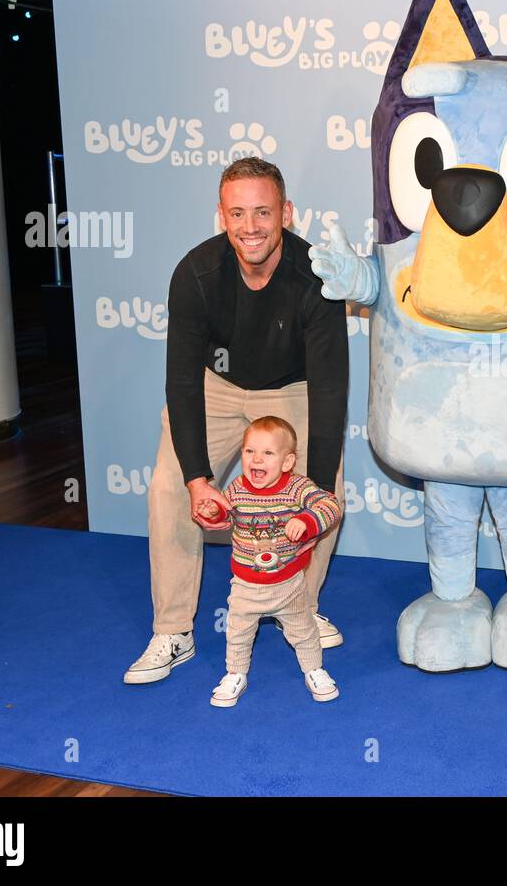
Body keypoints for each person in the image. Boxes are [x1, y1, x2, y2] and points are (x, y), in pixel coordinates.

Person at [124, 157, 349, 686]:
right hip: (215, 386)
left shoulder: (315, 274)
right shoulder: (196, 274)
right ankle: (174, 629)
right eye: (238, 213)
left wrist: (311, 489)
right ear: (221, 217)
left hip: (292, 388)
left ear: (286, 213)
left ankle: (299, 602)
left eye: (264, 212)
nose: (251, 226)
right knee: (168, 488)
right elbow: (180, 382)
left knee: (325, 489)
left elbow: (330, 386)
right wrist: (198, 479)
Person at [197, 417, 343, 706]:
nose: (256, 459)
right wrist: (214, 511)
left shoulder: (298, 488)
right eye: (249, 451)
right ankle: (235, 674)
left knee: (303, 631)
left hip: (288, 584)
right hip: (245, 585)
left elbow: (330, 505)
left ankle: (315, 669)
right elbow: (226, 517)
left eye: (267, 453)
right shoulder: (237, 488)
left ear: (287, 462)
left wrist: (307, 519)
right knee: (237, 634)